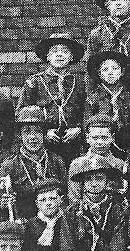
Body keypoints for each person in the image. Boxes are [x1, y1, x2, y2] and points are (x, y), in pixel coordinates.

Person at [18, 33, 87, 164]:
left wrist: (79, 129)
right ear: (48, 57)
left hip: (74, 143)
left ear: (71, 57)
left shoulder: (80, 83)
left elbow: (87, 111)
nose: (59, 55)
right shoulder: (34, 83)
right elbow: (21, 113)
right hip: (45, 144)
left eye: (65, 52)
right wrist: (43, 133)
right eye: (55, 51)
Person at [0, 106, 68, 221]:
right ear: (20, 135)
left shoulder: (56, 161)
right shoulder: (10, 165)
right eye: (27, 131)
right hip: (25, 226)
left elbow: (65, 197)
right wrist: (3, 203)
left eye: (37, 131)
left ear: (44, 134)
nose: (32, 137)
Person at [85, 50, 130, 152]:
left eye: (115, 68)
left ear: (122, 72)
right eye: (105, 69)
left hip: (126, 145)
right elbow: (87, 125)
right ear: (99, 74)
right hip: (101, 145)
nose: (110, 72)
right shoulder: (93, 98)